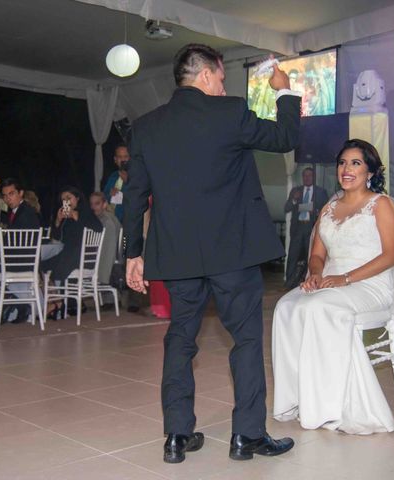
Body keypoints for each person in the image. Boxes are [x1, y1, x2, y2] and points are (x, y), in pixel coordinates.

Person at [124, 44, 301, 463]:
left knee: (180, 341)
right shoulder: (231, 113)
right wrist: (284, 92)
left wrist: (134, 253)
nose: (223, 86)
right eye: (221, 78)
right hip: (232, 251)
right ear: (205, 75)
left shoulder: (147, 126)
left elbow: (135, 195)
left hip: (177, 255)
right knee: (245, 339)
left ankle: (177, 436)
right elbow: (286, 137)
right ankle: (248, 437)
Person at [272, 139, 394, 435]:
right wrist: (315, 274)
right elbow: (317, 254)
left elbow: (390, 256)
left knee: (318, 307)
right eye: (342, 162)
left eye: (355, 163)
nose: (346, 169)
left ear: (370, 171)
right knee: (285, 307)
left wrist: (346, 278)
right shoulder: (329, 207)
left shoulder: (382, 205)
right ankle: (298, 399)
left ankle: (330, 404)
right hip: (329, 281)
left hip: (369, 285)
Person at [41, 187, 103, 317]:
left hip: (81, 257)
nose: (66, 201)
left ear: (77, 198)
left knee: (54, 268)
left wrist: (76, 216)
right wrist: (58, 221)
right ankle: (57, 301)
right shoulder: (66, 217)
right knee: (40, 266)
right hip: (68, 254)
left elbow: (98, 228)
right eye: (63, 199)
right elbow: (57, 238)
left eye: (69, 198)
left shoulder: (85, 212)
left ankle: (58, 303)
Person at [284, 167, 329, 288]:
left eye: (310, 176)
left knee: (311, 256)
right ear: (302, 177)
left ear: (314, 178)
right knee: (293, 256)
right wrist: (294, 199)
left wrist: (316, 211)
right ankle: (289, 283)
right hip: (298, 229)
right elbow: (286, 208)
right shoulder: (296, 190)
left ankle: (310, 281)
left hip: (312, 228)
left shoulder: (321, 192)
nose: (307, 178)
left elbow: (326, 211)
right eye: (305, 176)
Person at [89, 192, 121, 285]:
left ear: (104, 204)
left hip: (106, 265)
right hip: (113, 261)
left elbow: (108, 249)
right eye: (91, 204)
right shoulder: (110, 218)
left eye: (97, 203)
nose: (93, 207)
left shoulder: (106, 221)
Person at [103, 145, 130, 222]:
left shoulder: (136, 176)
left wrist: (127, 183)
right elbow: (104, 196)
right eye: (120, 157)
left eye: (126, 156)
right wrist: (110, 194)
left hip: (127, 219)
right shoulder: (113, 176)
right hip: (111, 217)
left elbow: (138, 198)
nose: (123, 160)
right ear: (115, 159)